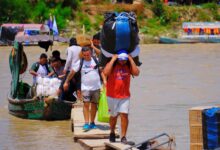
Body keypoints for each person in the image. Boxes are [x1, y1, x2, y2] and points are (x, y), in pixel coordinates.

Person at [103, 50, 140, 145]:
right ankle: (112, 131)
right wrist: (113, 59)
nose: (123, 61)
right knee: (113, 116)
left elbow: (136, 73)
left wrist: (131, 59)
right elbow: (105, 72)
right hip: (112, 95)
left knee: (124, 115)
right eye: (121, 60)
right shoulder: (113, 64)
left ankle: (123, 137)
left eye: (124, 60)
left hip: (125, 96)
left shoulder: (128, 65)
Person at [64, 46, 104, 131]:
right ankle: (86, 123)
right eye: (85, 55)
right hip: (85, 87)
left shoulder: (96, 60)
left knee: (94, 105)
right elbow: (72, 73)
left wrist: (105, 81)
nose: (86, 56)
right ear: (82, 54)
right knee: (86, 104)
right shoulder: (80, 62)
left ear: (91, 53)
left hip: (96, 87)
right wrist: (66, 81)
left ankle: (92, 123)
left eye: (88, 55)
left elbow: (101, 70)